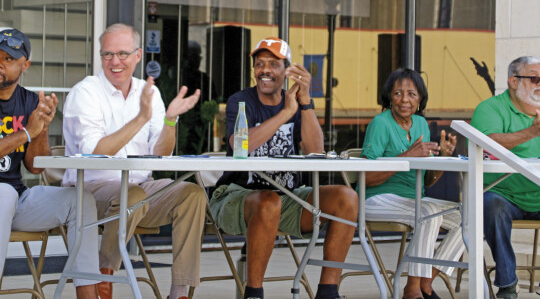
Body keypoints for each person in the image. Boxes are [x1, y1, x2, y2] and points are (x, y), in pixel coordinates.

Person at [62, 23, 206, 299]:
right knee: (134, 194)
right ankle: (103, 277)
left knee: (192, 194)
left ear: (138, 55)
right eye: (107, 55)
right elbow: (95, 152)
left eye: (123, 54)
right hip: (91, 191)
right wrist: (140, 117)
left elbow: (161, 155)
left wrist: (170, 121)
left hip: (138, 190)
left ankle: (180, 293)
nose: (115, 62)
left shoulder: (148, 91)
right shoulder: (87, 91)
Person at [209, 37, 358, 299]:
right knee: (267, 202)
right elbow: (240, 145)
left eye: (273, 64)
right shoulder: (240, 101)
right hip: (235, 197)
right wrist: (286, 114)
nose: (264, 70)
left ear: (287, 70)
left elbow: (315, 151)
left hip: (287, 197)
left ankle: (328, 291)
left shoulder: (296, 104)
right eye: (259, 64)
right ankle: (253, 293)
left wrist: (305, 102)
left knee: (347, 197)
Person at [0, 28, 99, 298]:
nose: (0, 64)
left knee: (82, 201)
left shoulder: (31, 101)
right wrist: (26, 132)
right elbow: (25, 136)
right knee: (3, 193)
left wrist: (42, 127)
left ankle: (87, 294)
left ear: (25, 65)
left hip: (15, 200)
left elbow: (35, 167)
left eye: (8, 59)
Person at [361, 69, 464, 299]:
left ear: (420, 99)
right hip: (375, 198)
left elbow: (427, 179)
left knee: (469, 217)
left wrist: (441, 160)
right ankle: (412, 290)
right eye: (398, 93)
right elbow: (365, 177)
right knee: (428, 212)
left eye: (411, 94)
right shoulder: (380, 123)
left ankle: (425, 283)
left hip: (412, 198)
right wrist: (408, 155)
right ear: (389, 97)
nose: (405, 99)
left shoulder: (420, 124)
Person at [471, 56, 540, 299]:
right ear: (513, 81)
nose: (539, 84)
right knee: (491, 205)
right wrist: (532, 132)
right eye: (534, 78)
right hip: (504, 194)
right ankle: (508, 284)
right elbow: (487, 144)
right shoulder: (490, 108)